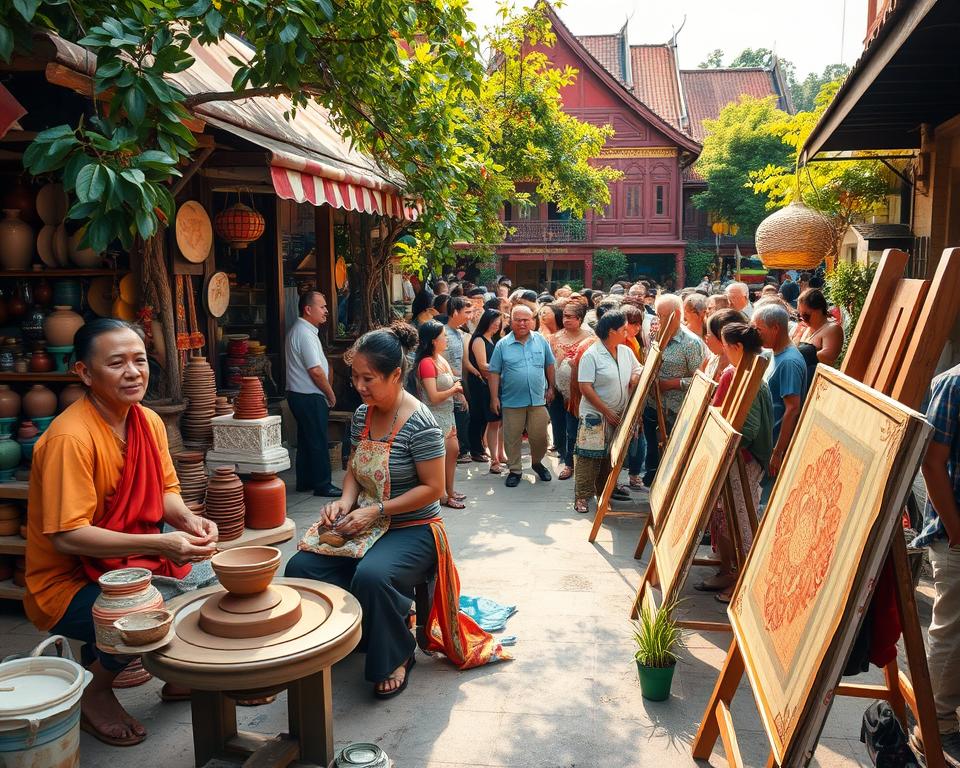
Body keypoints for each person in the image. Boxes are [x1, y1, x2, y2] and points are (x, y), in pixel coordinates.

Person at [25, 319, 219, 746]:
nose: (133, 372)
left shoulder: (146, 420)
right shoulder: (69, 439)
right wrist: (162, 542)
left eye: (140, 360)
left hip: (130, 560)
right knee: (144, 610)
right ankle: (94, 693)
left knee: (210, 581)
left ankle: (177, 674)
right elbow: (68, 536)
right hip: (69, 578)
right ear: (85, 373)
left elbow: (166, 489)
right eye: (117, 363)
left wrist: (188, 520)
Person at [699, 322, 773, 603]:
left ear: (737, 347)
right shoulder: (743, 372)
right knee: (728, 519)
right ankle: (731, 574)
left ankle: (744, 585)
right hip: (736, 460)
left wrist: (721, 439)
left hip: (744, 462)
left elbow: (749, 429)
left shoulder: (747, 376)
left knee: (743, 521)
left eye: (726, 345)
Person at [910, 364, 960, 764]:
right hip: (955, 535)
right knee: (951, 629)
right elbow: (932, 461)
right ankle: (935, 724)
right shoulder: (954, 382)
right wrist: (955, 528)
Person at [573, 310, 642, 513]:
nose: (627, 332)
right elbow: (585, 387)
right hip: (595, 415)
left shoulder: (625, 351)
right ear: (611, 331)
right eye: (623, 329)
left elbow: (637, 370)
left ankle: (603, 494)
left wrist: (637, 378)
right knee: (588, 457)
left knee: (609, 457)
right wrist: (606, 411)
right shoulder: (592, 355)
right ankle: (581, 497)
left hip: (619, 414)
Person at [641, 294, 706, 486]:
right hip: (653, 407)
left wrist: (671, 384)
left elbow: (700, 380)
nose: (657, 320)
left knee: (672, 457)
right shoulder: (657, 337)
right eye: (657, 315)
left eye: (662, 316)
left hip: (677, 412)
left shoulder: (691, 343)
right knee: (653, 452)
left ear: (676, 314)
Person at [488, 304, 556, 487]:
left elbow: (550, 364)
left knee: (540, 436)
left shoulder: (541, 340)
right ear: (511, 321)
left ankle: (537, 463)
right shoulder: (502, 345)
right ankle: (515, 470)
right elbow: (494, 372)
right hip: (512, 400)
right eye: (518, 320)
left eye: (526, 320)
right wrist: (494, 397)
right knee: (512, 437)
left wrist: (551, 387)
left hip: (537, 399)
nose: (522, 323)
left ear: (532, 321)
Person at [286, 290, 340, 497]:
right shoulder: (304, 333)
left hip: (302, 394)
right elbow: (315, 371)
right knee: (317, 439)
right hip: (308, 394)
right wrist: (330, 394)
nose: (326, 311)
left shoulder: (304, 331)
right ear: (308, 309)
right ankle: (323, 484)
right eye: (322, 307)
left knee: (308, 440)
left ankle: (305, 481)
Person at [752, 303, 807, 498]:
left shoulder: (789, 362)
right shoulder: (772, 354)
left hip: (775, 445)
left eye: (759, 329)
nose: (755, 334)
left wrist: (777, 452)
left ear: (775, 328)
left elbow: (792, 409)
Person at [411, 321, 466, 509]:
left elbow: (453, 383)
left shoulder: (440, 359)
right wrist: (454, 390)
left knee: (453, 452)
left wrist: (458, 394)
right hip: (434, 416)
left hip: (447, 413)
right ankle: (442, 494)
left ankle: (449, 490)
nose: (447, 339)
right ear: (434, 341)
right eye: (444, 336)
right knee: (442, 456)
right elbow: (433, 397)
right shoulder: (427, 363)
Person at [549, 302, 593, 482]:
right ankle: (563, 455)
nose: (565, 319)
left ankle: (571, 463)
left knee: (572, 429)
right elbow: (548, 365)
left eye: (570, 316)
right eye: (564, 316)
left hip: (578, 393)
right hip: (557, 391)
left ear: (580, 319)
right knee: (558, 427)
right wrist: (550, 387)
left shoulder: (590, 339)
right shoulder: (554, 338)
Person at [467, 309, 506, 473]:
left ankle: (500, 454)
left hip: (495, 382)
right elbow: (483, 365)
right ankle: (494, 459)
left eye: (499, 323)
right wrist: (504, 368)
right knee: (493, 421)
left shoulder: (494, 339)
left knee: (499, 421)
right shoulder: (479, 340)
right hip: (485, 385)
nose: (496, 326)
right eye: (494, 323)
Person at [442, 297, 474, 464]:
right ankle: (459, 451)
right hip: (446, 384)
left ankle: (460, 451)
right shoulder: (443, 333)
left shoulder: (460, 333)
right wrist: (457, 386)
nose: (470, 316)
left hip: (457, 383)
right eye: (466, 312)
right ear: (455, 312)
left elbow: (463, 362)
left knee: (461, 417)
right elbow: (444, 362)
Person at [794, 288, 844, 383]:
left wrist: (798, 357)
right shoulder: (804, 328)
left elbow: (829, 357)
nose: (802, 319)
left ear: (819, 310)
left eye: (806, 315)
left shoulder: (832, 329)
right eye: (799, 316)